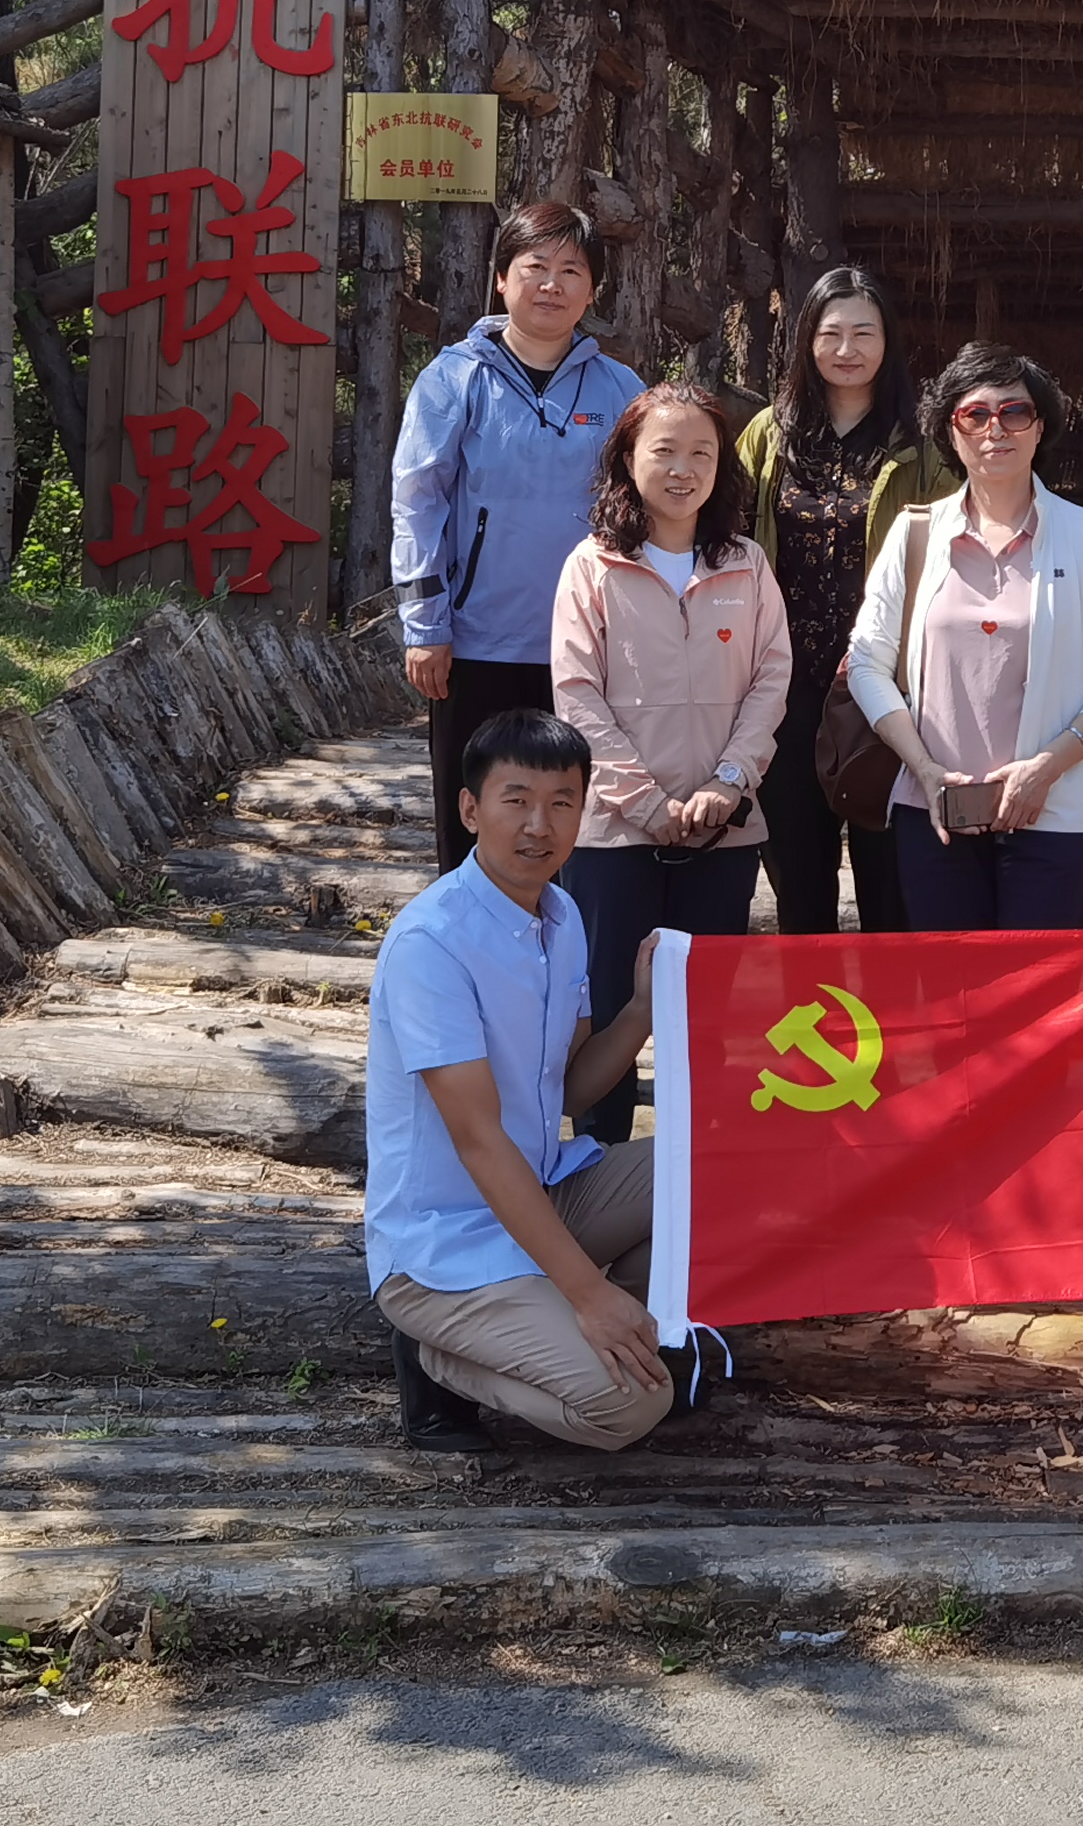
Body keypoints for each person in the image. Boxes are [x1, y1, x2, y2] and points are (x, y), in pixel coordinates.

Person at [364, 706, 673, 1455]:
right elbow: (477, 1139)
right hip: (443, 1243)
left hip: (540, 1194)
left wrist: (641, 1010)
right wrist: (588, 1293)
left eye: (562, 802)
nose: (540, 825)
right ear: (471, 809)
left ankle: (596, 1328)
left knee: (705, 1179)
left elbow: (566, 1091)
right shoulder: (432, 943)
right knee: (631, 1407)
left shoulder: (560, 917)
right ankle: (441, 1358)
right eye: (517, 801)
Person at [548, 380, 791, 1140]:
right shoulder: (592, 566)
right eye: (664, 451)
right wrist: (646, 803)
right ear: (628, 459)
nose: (683, 470)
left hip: (723, 830)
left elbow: (771, 679)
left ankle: (702, 1169)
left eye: (701, 453)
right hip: (614, 833)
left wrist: (731, 781)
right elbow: (576, 694)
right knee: (608, 1005)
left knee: (710, 1011)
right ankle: (599, 1166)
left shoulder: (746, 564)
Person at [845, 342, 1083, 933]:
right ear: (950, 432)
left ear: (1040, 427)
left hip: (1054, 811)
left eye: (1015, 412)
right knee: (949, 984)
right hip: (935, 810)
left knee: (1043, 984)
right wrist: (924, 770)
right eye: (975, 414)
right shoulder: (915, 534)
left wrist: (1045, 769)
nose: (995, 429)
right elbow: (866, 663)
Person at [391, 200, 645, 874]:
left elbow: (645, 509)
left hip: (588, 649)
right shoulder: (454, 378)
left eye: (572, 270)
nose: (552, 285)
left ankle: (568, 943)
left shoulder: (620, 389)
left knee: (577, 826)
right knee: (475, 824)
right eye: (535, 267)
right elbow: (417, 503)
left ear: (592, 290)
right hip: (477, 644)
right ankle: (470, 940)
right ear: (502, 278)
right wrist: (425, 626)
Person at [731, 266, 955, 935]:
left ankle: (889, 1006)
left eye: (864, 332)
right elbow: (726, 535)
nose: (847, 349)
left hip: (886, 686)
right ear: (807, 340)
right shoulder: (769, 434)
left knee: (891, 885)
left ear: (889, 340)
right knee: (798, 881)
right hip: (785, 683)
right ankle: (813, 1004)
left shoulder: (922, 443)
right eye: (831, 333)